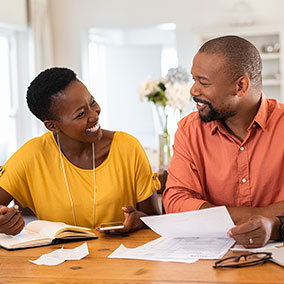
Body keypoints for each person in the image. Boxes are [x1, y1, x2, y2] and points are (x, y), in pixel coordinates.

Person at [0, 67, 160, 236]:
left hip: (121, 259)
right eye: (81, 114)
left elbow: (155, 221)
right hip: (57, 259)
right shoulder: (32, 155)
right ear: (52, 126)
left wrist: (137, 220)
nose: (94, 115)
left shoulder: (128, 148)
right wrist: (4, 222)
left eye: (92, 102)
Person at [163, 35, 284, 248]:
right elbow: (176, 201)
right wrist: (262, 215)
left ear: (240, 86)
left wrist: (270, 225)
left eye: (203, 82)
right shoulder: (189, 130)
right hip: (210, 256)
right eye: (194, 79)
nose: (193, 90)